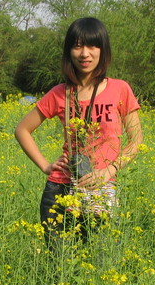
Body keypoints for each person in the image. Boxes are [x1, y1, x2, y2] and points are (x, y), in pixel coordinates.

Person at [15, 17, 142, 243]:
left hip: (102, 188)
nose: (85, 53)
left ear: (103, 50)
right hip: (60, 189)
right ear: (69, 52)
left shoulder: (120, 89)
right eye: (77, 46)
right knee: (60, 267)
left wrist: (109, 170)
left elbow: (136, 141)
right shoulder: (59, 93)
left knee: (101, 263)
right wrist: (46, 165)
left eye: (92, 45)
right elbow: (22, 130)